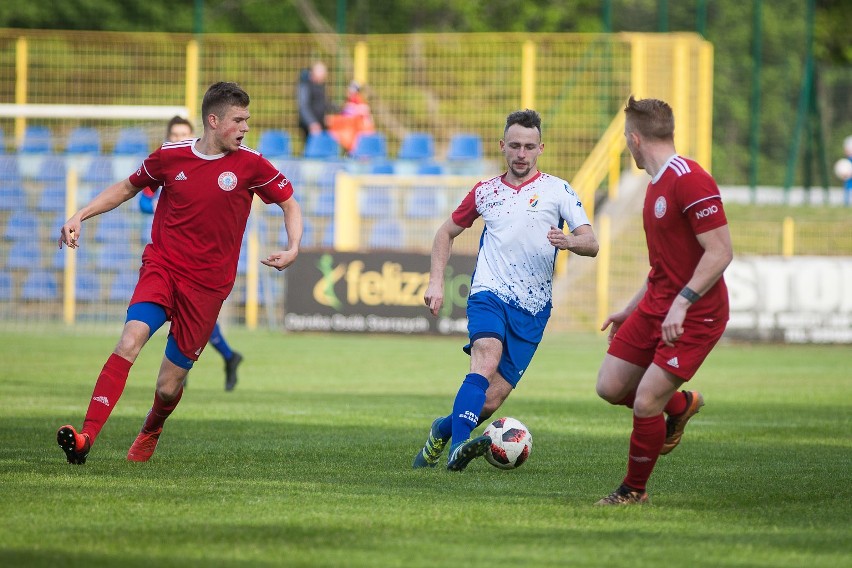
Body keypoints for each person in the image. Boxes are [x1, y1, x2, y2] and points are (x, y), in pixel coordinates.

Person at [56, 81, 303, 465]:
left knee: (168, 387)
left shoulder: (252, 164)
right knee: (129, 340)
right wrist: (79, 214)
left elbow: (290, 205)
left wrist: (293, 247)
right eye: (239, 120)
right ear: (214, 119)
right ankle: (86, 437)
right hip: (163, 268)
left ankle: (152, 427)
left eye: (247, 120)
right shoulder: (170, 157)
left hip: (207, 288)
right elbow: (126, 188)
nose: (245, 127)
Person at [413, 109, 599, 471]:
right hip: (489, 293)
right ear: (502, 146)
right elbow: (444, 233)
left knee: (491, 400)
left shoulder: (558, 190)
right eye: (514, 145)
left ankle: (443, 430)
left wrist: (569, 242)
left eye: (529, 147)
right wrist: (435, 281)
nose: (521, 154)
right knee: (486, 359)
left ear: (540, 148)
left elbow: (591, 243)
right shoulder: (486, 192)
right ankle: (459, 448)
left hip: (533, 308)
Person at [593, 95, 733, 505]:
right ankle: (683, 404)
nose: (624, 144)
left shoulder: (690, 178)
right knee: (610, 386)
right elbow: (663, 267)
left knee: (645, 401)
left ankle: (633, 491)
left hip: (697, 312)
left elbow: (721, 252)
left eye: (624, 137)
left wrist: (684, 301)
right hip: (658, 303)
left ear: (635, 140)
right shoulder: (655, 185)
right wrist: (632, 307)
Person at [139, 115, 244, 391]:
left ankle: (216, 359)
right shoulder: (166, 161)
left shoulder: (207, 163)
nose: (179, 139)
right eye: (174, 134)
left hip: (201, 261)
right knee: (174, 318)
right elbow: (142, 197)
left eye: (183, 134)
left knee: (195, 320)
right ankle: (220, 358)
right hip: (167, 253)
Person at [297, 61, 335, 143]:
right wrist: (312, 123)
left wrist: (339, 108)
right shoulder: (305, 85)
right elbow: (303, 106)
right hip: (310, 125)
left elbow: (324, 103)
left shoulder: (320, 85)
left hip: (321, 123)